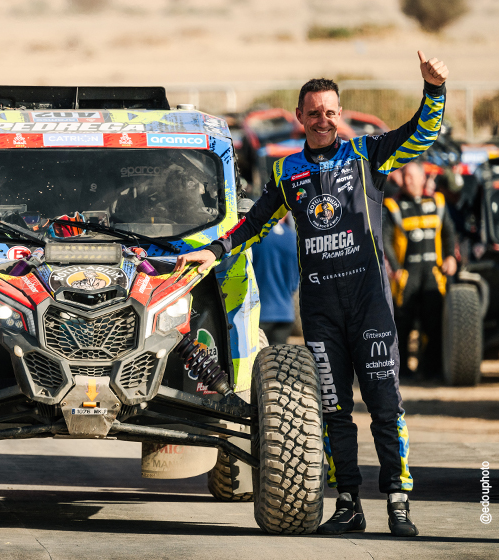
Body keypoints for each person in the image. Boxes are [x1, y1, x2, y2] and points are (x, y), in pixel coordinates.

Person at [174, 51, 449, 538]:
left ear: (340, 115)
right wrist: (213, 252)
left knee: (385, 406)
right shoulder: (287, 171)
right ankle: (347, 502)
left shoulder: (367, 154)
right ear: (299, 117)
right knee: (333, 410)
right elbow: (254, 225)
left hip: (370, 306)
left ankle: (398, 502)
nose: (323, 119)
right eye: (314, 112)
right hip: (320, 309)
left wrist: (434, 90)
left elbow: (422, 133)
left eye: (330, 111)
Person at [383, 161, 457, 378]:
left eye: (412, 177)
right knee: (402, 323)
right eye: (405, 177)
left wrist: (451, 256)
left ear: (423, 179)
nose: (407, 181)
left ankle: (431, 369)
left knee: (433, 323)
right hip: (406, 274)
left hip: (433, 273)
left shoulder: (438, 202)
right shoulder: (393, 205)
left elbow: (449, 232)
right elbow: (385, 239)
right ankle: (403, 370)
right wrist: (395, 268)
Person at [253, 215, 299, 345]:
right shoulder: (292, 237)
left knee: (256, 362)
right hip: (285, 314)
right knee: (278, 362)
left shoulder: (257, 235)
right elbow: (295, 282)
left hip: (259, 314)